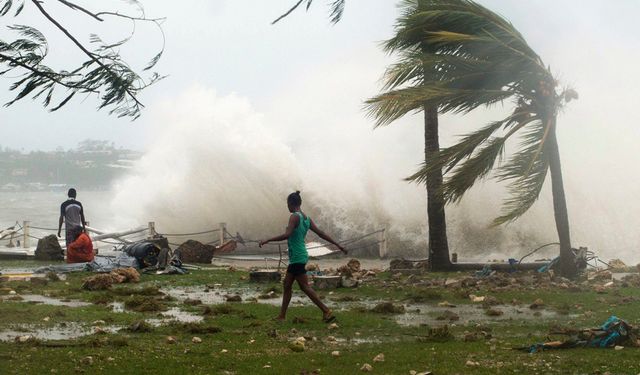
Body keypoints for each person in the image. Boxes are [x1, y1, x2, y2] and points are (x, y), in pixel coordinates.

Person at [259, 191, 347, 322]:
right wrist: (338, 245)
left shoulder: (294, 217)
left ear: (291, 204)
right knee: (287, 284)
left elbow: (287, 234)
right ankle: (282, 316)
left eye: (287, 204)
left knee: (304, 286)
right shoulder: (306, 219)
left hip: (297, 256)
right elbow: (321, 233)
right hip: (300, 255)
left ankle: (326, 311)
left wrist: (268, 240)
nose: (287, 207)